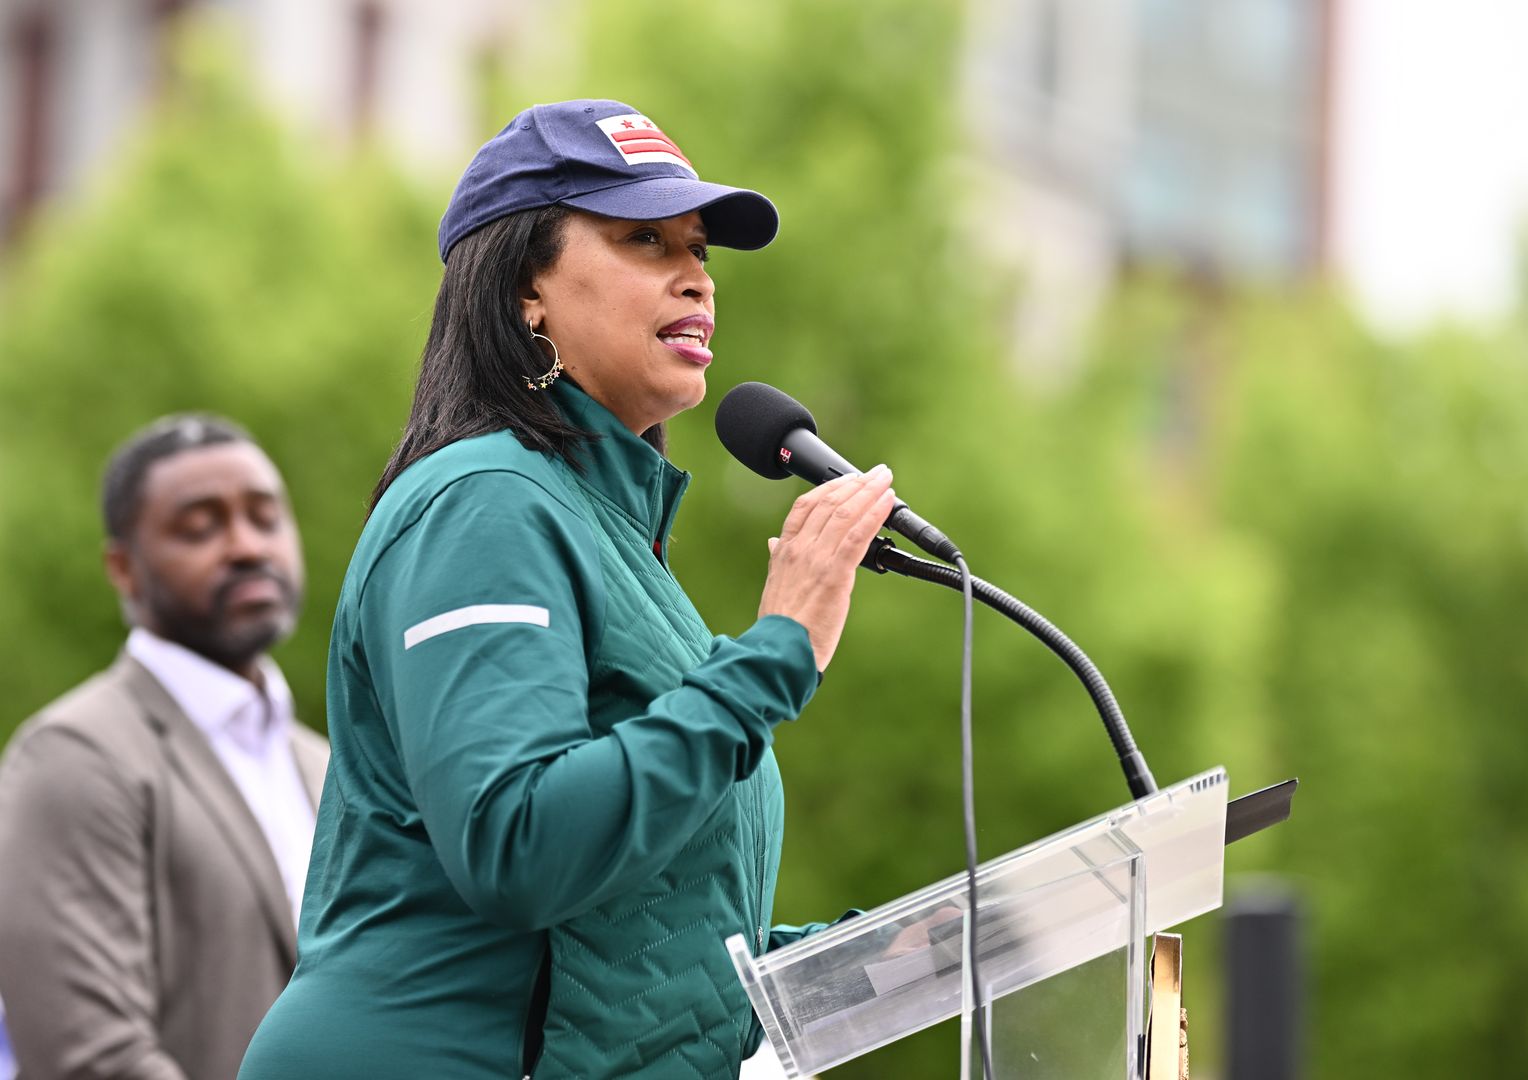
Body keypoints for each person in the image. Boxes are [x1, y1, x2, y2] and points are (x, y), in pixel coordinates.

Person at [240, 100, 893, 1080]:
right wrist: (773, 652)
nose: (695, 277)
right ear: (524, 292)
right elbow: (520, 844)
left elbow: (633, 928)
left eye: (700, 249)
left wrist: (887, 958)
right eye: (643, 238)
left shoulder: (609, 533)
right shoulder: (483, 504)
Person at [0, 415, 328, 1080]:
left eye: (264, 517)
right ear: (123, 567)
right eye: (199, 527)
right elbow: (89, 1056)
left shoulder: (323, 763)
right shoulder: (75, 757)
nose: (245, 546)